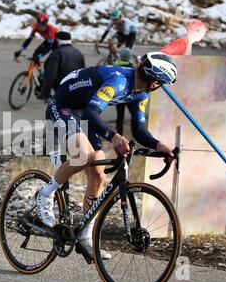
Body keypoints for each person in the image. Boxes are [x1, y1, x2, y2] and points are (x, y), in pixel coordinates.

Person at [39, 52, 177, 259]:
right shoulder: (118, 81)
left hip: (86, 112)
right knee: (84, 156)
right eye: (162, 83)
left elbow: (139, 130)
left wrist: (159, 145)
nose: (160, 87)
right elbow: (90, 113)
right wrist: (113, 137)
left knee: (98, 176)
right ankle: (45, 193)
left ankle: (85, 237)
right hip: (64, 108)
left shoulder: (141, 93)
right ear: (155, 80)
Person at [39, 31, 85, 102]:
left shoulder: (56, 54)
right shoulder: (78, 53)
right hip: (76, 89)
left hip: (61, 89)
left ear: (57, 41)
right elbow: (83, 73)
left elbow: (51, 75)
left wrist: (45, 93)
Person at [113, 47, 136, 135]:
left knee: (120, 116)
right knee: (134, 114)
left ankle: (120, 134)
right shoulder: (132, 66)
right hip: (130, 95)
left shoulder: (115, 65)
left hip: (119, 94)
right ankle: (135, 132)